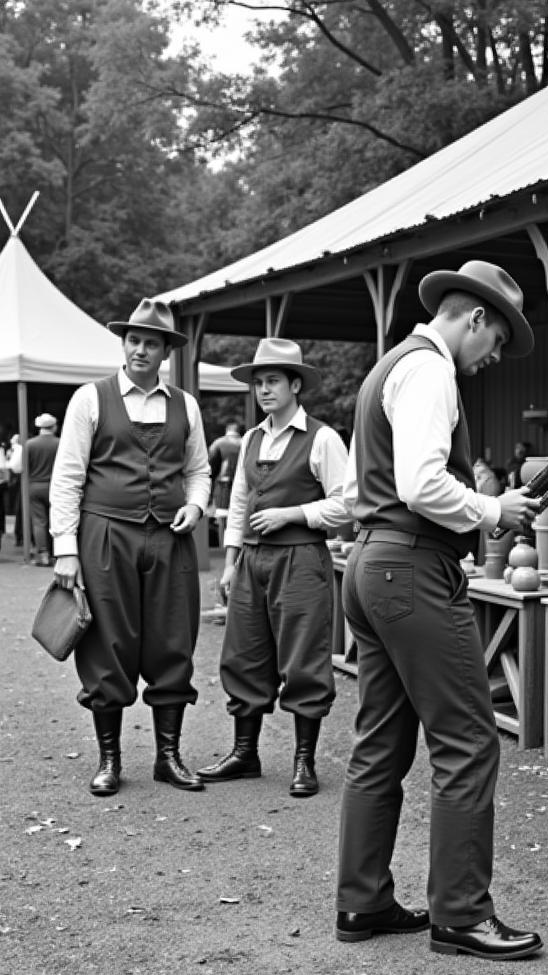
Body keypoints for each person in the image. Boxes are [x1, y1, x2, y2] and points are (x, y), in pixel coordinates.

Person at [335, 260, 543, 960]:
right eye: (495, 343)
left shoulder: (389, 365)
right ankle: (460, 914)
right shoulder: (430, 370)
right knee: (468, 740)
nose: (491, 361)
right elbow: (422, 482)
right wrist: (492, 508)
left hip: (372, 562)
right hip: (410, 567)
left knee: (381, 743)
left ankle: (361, 902)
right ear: (476, 318)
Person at [49, 297, 211, 797]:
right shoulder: (90, 399)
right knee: (106, 642)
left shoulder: (185, 404)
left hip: (170, 537)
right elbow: (68, 477)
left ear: (166, 351)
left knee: (172, 640)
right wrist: (65, 548)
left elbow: (198, 470)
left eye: (152, 343)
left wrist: (197, 506)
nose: (141, 349)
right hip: (105, 536)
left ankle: (168, 756)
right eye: (134, 340)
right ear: (123, 344)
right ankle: (110, 759)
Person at [198, 338, 349, 797]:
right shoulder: (249, 439)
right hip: (251, 561)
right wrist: (229, 563)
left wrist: (294, 514)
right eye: (258, 382)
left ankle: (305, 761)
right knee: (244, 654)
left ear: (295, 384)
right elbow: (239, 502)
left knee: (304, 657)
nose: (263, 390)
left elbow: (348, 505)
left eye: (272, 381)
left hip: (301, 558)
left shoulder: (322, 438)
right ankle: (246, 753)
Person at [25, 412, 60, 565]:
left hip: (35, 486)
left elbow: (21, 467)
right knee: (57, 520)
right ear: (54, 427)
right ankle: (57, 553)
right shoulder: (61, 443)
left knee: (39, 521)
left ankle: (43, 554)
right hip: (56, 487)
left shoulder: (29, 444)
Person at [208, 421, 242, 511]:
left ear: (227, 430)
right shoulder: (246, 442)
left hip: (223, 486)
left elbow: (210, 467)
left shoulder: (218, 443)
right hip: (242, 486)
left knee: (222, 515)